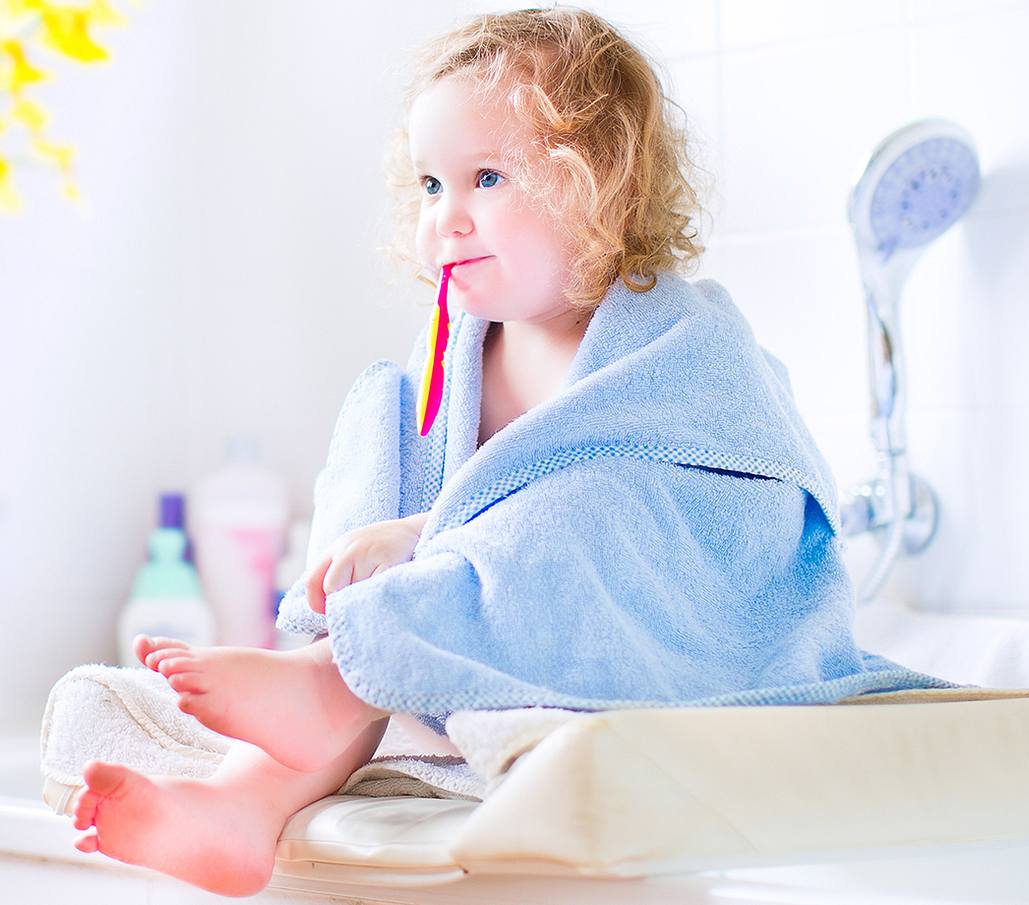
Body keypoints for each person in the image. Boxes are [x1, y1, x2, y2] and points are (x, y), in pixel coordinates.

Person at [67, 6, 947, 897]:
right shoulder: (453, 353)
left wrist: (425, 534)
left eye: (487, 177)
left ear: (601, 186)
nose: (446, 218)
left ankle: (332, 682)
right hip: (467, 635)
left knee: (583, 507)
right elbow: (452, 506)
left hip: (671, 624)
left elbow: (691, 509)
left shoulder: (680, 340)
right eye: (430, 185)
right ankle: (243, 804)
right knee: (379, 427)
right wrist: (394, 536)